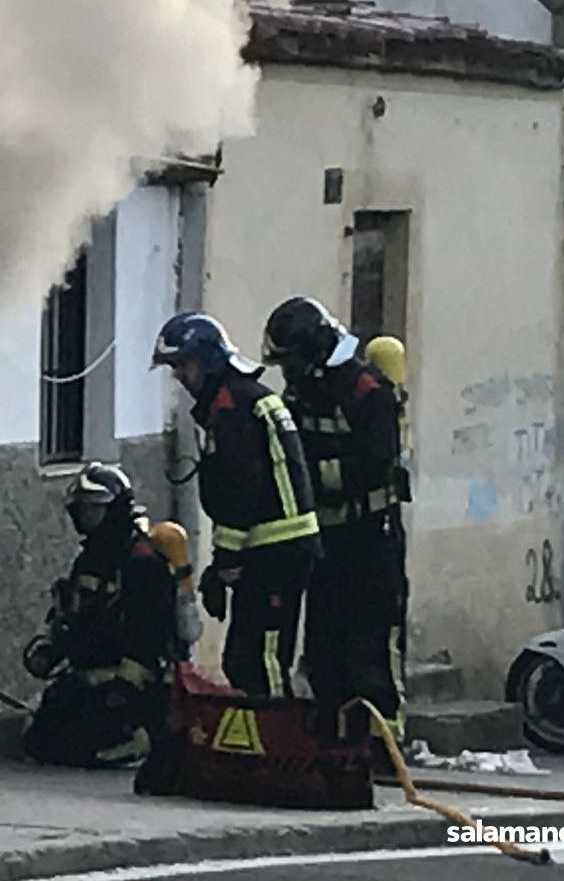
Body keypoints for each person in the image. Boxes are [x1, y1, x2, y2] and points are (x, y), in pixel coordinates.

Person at [263, 296, 409, 747]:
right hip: (325, 540)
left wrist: (308, 475)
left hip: (371, 536)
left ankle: (383, 743)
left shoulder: (368, 392)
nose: (287, 371)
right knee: (323, 647)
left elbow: (374, 464)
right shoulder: (302, 392)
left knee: (371, 645)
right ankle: (332, 744)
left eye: (290, 360)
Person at [150, 312, 320, 699]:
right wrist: (225, 562)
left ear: (206, 359)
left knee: (263, 660)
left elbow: (239, 489)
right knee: (244, 660)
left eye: (182, 365)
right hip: (273, 549)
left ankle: (277, 731)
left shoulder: (232, 407)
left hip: (277, 551)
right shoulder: (243, 398)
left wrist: (226, 559)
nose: (179, 376)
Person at [21, 463, 178, 770]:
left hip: (128, 685)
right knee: (38, 744)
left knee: (77, 750)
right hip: (87, 678)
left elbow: (151, 635)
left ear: (115, 510)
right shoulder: (90, 558)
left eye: (94, 509)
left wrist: (126, 687)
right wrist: (51, 652)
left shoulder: (142, 562)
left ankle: (141, 737)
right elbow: (77, 616)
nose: (86, 517)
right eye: (82, 510)